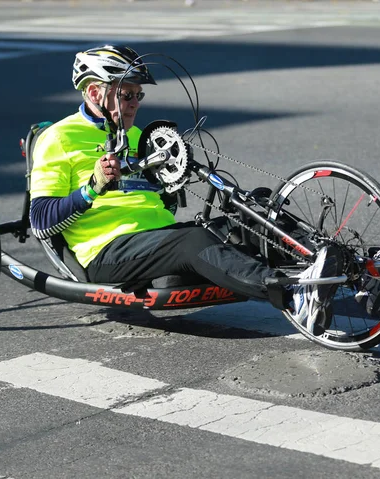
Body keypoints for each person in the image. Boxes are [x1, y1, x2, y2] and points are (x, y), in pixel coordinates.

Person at [29, 45, 343, 334]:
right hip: (108, 250)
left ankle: (341, 262)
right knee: (193, 240)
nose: (135, 104)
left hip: (157, 240)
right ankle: (294, 296)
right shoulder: (59, 139)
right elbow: (41, 221)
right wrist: (92, 188)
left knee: (251, 219)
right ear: (96, 92)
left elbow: (159, 207)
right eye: (127, 95)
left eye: (139, 96)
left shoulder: (138, 136)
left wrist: (169, 187)